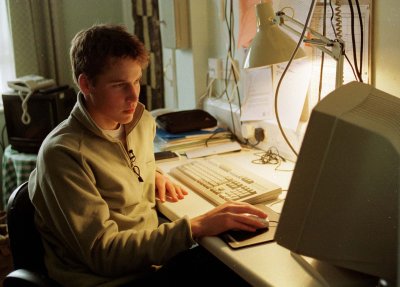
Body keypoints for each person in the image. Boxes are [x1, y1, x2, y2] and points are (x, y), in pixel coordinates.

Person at [28, 24, 268, 286]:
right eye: (119, 85)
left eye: (136, 81)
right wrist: (194, 227)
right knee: (236, 269)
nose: (133, 96)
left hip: (149, 262)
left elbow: (118, 163)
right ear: (86, 84)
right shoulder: (63, 154)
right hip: (110, 280)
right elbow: (103, 253)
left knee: (242, 253)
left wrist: (149, 173)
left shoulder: (140, 123)